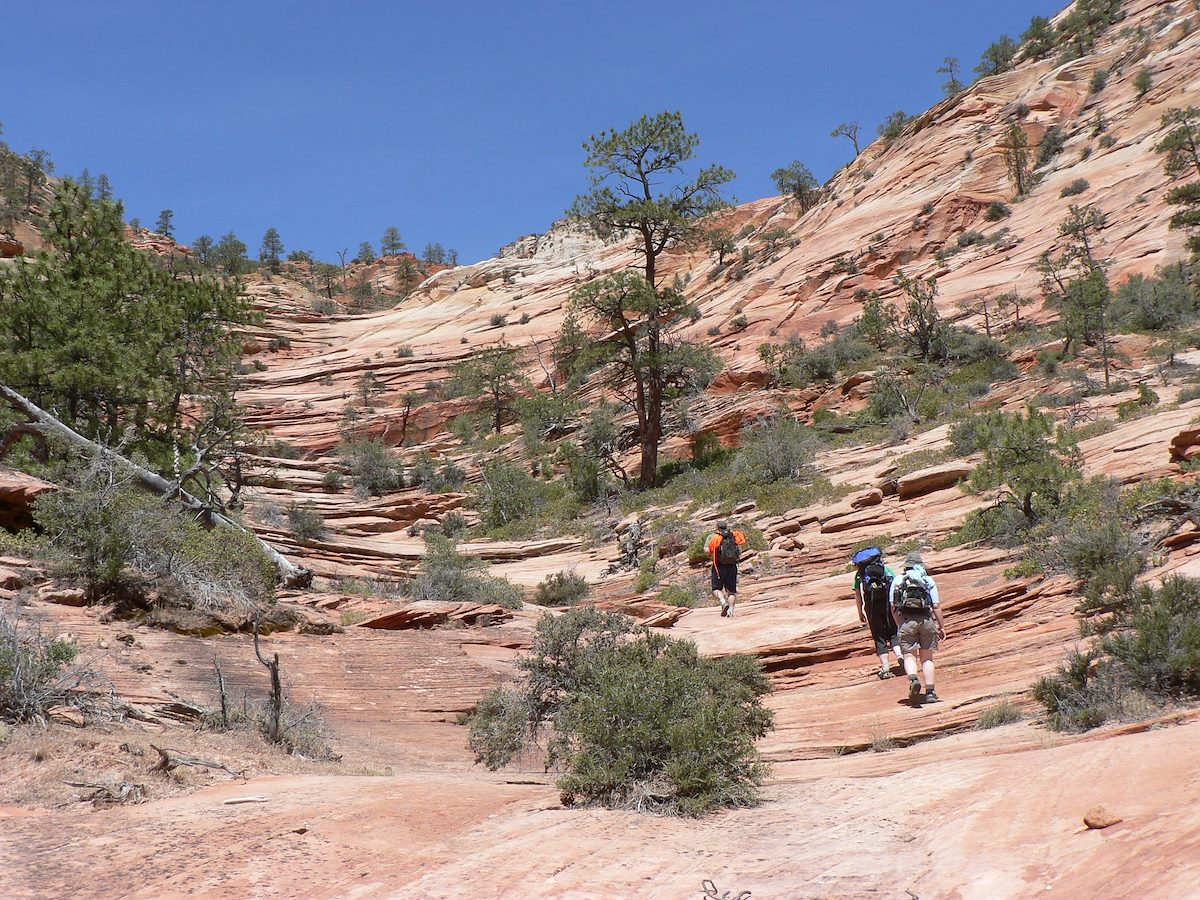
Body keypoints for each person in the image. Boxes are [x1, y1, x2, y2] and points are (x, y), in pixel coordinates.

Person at [890, 552, 945, 704]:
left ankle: (913, 679)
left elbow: (893, 606)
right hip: (926, 620)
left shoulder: (898, 580)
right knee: (927, 658)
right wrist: (941, 626)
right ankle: (930, 692)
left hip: (906, 621)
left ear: (906, 566)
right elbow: (936, 606)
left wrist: (899, 624)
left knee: (909, 656)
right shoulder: (927, 580)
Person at [852, 548, 903, 679]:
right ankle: (900, 656)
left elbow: (858, 594)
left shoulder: (859, 575)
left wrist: (860, 611)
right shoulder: (885, 569)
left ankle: (885, 668)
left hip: (872, 607)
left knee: (879, 637)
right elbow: (896, 584)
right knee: (893, 632)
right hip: (888, 605)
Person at [704, 521, 747, 617]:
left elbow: (707, 550)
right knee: (731, 591)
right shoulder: (733, 536)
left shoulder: (713, 537)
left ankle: (723, 602)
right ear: (726, 526)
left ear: (717, 527)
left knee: (716, 588)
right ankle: (730, 611)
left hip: (718, 566)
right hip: (732, 566)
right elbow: (739, 549)